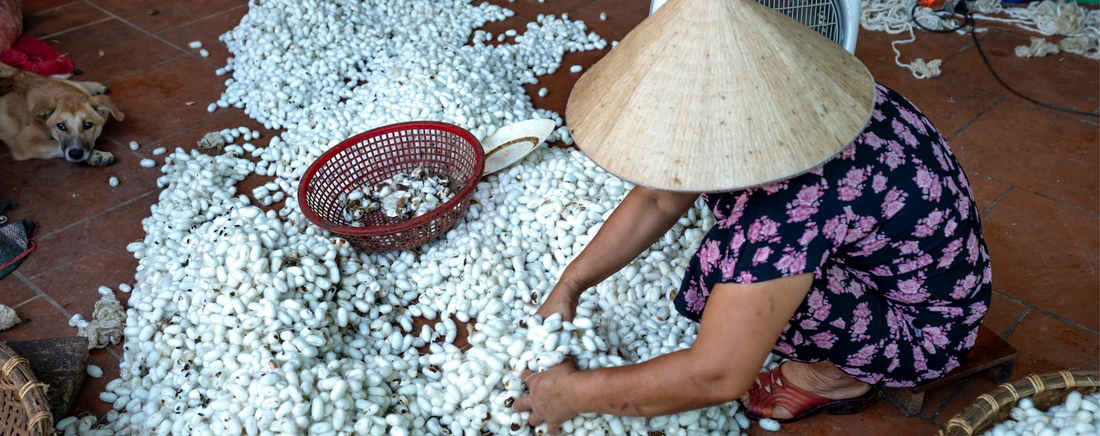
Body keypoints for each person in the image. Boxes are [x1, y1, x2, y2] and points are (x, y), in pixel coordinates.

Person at [511, 0, 992, 433]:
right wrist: (570, 285)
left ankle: (836, 377)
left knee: (734, 263)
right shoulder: (819, 93)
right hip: (921, 272)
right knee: (734, 256)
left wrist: (568, 395)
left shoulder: (782, 221)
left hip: (924, 329)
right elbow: (660, 198)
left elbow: (716, 374)